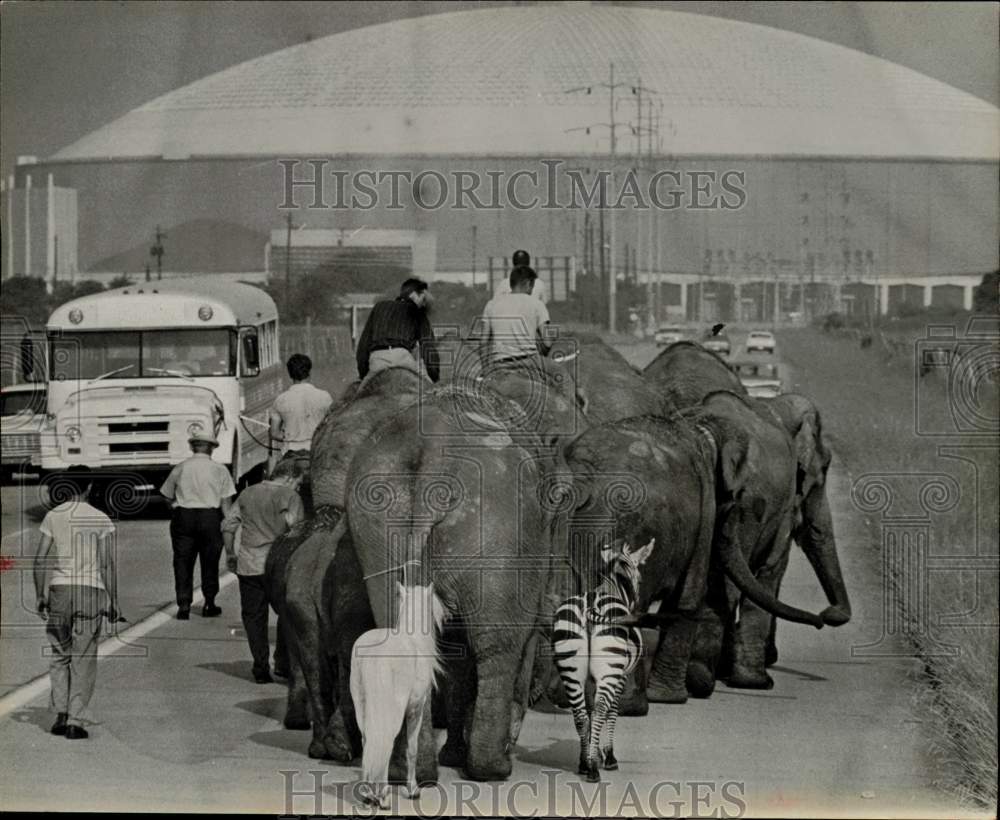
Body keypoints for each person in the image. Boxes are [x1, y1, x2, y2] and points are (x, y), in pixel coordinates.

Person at [33, 466, 120, 739]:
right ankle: (75, 719)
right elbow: (106, 564)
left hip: (60, 589)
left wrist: (40, 594)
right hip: (90, 590)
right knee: (83, 656)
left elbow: (40, 559)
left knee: (60, 654)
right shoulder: (101, 518)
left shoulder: (53, 516)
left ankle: (59, 714)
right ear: (90, 487)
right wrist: (113, 599)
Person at [221, 458, 305, 684]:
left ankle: (260, 666)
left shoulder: (247, 494)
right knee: (287, 614)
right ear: (289, 477)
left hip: (249, 565)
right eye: (297, 483)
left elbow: (229, 525)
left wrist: (230, 552)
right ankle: (282, 663)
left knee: (254, 618)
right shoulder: (290, 497)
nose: (297, 487)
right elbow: (296, 531)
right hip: (280, 567)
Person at [160, 431, 236, 619]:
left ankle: (184, 605)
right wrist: (228, 527)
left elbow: (166, 494)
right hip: (210, 517)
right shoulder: (219, 470)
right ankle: (209, 602)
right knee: (210, 561)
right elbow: (226, 504)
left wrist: (176, 508)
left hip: (184, 516)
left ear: (192, 447)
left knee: (182, 561)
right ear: (212, 448)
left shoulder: (181, 467)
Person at [355, 278, 440, 384]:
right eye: (423, 299)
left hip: (378, 360)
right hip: (403, 360)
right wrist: (434, 377)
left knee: (358, 397)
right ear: (413, 295)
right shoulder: (418, 313)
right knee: (429, 393)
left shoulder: (379, 307)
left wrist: (364, 376)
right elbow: (428, 348)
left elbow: (363, 347)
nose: (423, 304)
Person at [268, 354, 334, 477]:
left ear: (290, 374)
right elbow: (332, 428)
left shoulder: (280, 400)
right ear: (309, 372)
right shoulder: (325, 397)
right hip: (316, 453)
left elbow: (274, 433)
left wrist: (289, 435)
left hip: (291, 453)